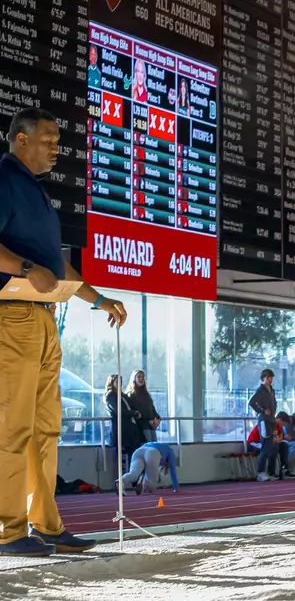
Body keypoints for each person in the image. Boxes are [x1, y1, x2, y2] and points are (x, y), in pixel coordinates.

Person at [0, 107, 126, 557]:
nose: (57, 148)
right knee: (12, 428)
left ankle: (46, 524)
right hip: (10, 314)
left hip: (43, 317)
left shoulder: (35, 192)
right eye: (49, 139)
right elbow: (35, 266)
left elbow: (57, 266)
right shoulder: (4, 179)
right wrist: (25, 268)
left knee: (46, 429)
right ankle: (8, 530)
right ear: (20, 139)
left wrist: (98, 299)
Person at [248, 369, 278, 482]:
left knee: (273, 446)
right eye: (268, 377)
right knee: (266, 445)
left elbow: (274, 403)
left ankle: (271, 471)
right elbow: (251, 402)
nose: (270, 380)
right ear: (263, 378)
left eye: (271, 378)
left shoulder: (272, 390)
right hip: (264, 420)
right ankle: (260, 472)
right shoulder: (260, 390)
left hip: (271, 420)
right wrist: (262, 410)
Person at [126, 369, 161, 442]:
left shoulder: (146, 393)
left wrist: (157, 418)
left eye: (143, 377)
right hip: (142, 426)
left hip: (151, 425)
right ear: (134, 379)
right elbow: (138, 410)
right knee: (148, 447)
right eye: (139, 377)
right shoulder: (132, 394)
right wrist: (150, 419)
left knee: (154, 446)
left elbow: (152, 408)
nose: (141, 379)